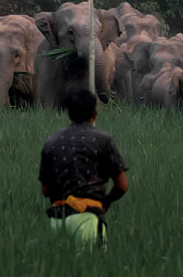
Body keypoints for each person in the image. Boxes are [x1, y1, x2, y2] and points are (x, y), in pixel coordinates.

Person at [38, 90, 128, 248]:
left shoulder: (51, 142)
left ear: (68, 113)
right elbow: (122, 186)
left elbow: (45, 190)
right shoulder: (104, 140)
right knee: (92, 269)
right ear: (95, 113)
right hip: (88, 218)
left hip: (57, 219)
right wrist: (105, 201)